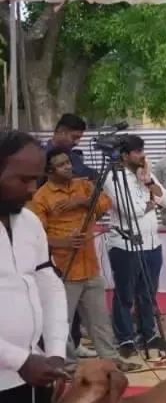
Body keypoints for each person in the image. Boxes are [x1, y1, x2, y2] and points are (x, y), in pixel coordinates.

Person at [0, 131, 68, 403]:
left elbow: (49, 285)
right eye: (23, 179)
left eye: (36, 179)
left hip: (27, 382)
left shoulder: (29, 224)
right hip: (20, 366)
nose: (31, 190)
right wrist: (19, 359)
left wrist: (54, 351)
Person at [29, 147, 126, 369]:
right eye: (61, 165)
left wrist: (80, 202)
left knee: (100, 320)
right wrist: (64, 243)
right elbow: (36, 237)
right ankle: (68, 366)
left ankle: (110, 361)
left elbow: (105, 202)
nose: (68, 167)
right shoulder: (41, 197)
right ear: (49, 171)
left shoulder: (83, 186)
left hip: (90, 267)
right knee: (62, 323)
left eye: (68, 162)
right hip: (64, 270)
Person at [103, 135, 166, 356]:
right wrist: (151, 203)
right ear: (124, 155)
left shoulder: (146, 174)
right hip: (125, 245)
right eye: (137, 151)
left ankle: (147, 334)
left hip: (152, 244)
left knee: (148, 293)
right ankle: (125, 339)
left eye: (143, 150)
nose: (142, 155)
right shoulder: (114, 178)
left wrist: (149, 182)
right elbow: (130, 211)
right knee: (125, 295)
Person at [41, 113, 96, 182]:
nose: (77, 143)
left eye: (79, 138)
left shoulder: (73, 156)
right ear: (61, 132)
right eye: (74, 137)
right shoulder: (40, 158)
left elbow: (88, 174)